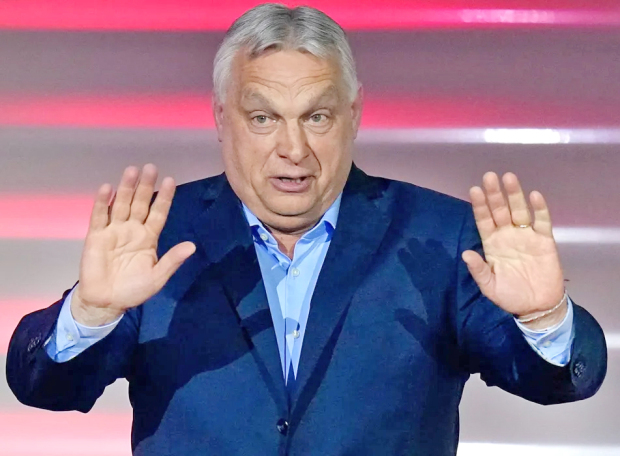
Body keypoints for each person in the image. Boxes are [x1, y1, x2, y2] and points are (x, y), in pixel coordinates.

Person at [6, 4, 606, 456]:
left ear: (354, 114)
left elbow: (554, 381)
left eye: (316, 116)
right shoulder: (159, 234)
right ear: (222, 117)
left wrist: (544, 317)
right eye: (263, 118)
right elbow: (45, 387)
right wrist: (93, 311)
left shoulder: (439, 237)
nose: (293, 149)